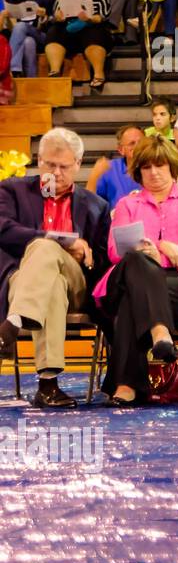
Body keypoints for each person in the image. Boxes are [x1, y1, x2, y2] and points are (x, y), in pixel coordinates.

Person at [91, 136, 178, 406]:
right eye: (147, 167)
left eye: (160, 165)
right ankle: (159, 330)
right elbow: (115, 251)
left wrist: (162, 258)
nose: (154, 172)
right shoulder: (127, 204)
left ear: (173, 168)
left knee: (132, 301)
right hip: (127, 276)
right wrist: (163, 249)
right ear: (138, 172)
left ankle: (126, 385)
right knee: (136, 260)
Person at [0, 128, 110, 408]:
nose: (56, 173)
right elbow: (3, 230)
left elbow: (102, 258)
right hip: (22, 278)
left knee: (50, 255)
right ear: (38, 161)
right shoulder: (12, 189)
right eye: (50, 165)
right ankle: (48, 386)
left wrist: (86, 255)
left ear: (77, 164)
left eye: (64, 166)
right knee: (51, 273)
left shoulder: (96, 205)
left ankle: (12, 323)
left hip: (77, 282)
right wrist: (53, 240)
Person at [45, 0, 111, 89]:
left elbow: (104, 16)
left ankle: (98, 74)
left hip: (91, 28)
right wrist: (59, 17)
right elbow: (55, 15)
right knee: (54, 31)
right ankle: (54, 71)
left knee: (95, 32)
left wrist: (89, 18)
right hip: (69, 30)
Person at [3, 0, 54, 76]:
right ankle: (28, 78)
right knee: (28, 42)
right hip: (20, 37)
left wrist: (43, 16)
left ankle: (9, 66)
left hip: (41, 35)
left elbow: (51, 25)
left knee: (21, 26)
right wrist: (6, 16)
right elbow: (12, 28)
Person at [89, 125, 144, 210]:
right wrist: (94, 176)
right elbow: (90, 203)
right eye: (132, 143)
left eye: (141, 142)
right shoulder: (109, 169)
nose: (138, 147)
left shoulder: (156, 167)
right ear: (121, 150)